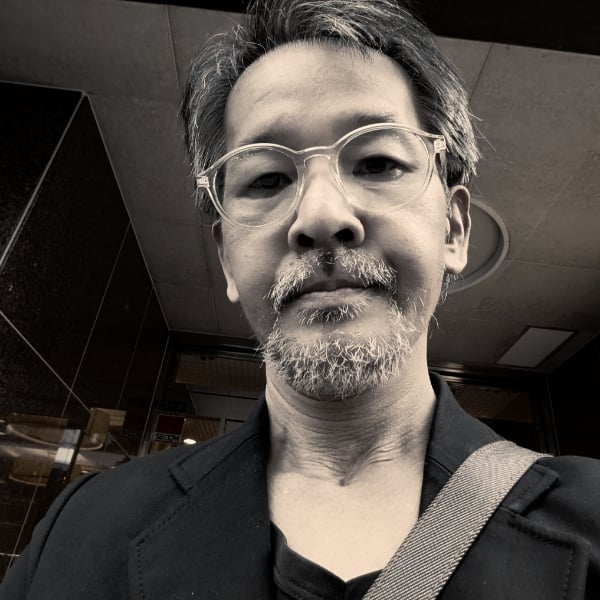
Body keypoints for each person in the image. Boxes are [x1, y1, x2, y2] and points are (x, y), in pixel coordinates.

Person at [2, 0, 599, 598]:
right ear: (226, 258)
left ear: (454, 229)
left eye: (377, 162)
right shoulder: (82, 536)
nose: (320, 216)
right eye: (267, 178)